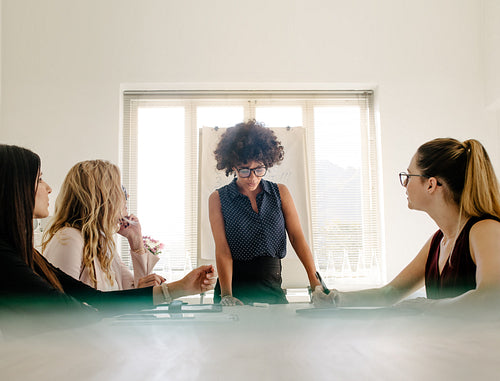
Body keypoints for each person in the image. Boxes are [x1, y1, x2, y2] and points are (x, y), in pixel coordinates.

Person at [0, 144, 216, 335]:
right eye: (38, 179)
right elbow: (69, 312)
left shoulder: (101, 244)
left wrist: (180, 287)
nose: (48, 188)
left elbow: (111, 297)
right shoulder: (68, 239)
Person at [313, 138, 500, 316]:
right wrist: (338, 299)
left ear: (431, 184)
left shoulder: (485, 230)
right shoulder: (438, 240)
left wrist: (428, 307)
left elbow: (491, 297)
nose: (405, 184)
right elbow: (390, 293)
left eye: (409, 176)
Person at [209, 120, 321, 306]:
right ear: (233, 166)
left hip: (271, 285)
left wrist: (314, 282)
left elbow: (296, 237)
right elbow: (222, 250)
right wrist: (227, 296)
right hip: (233, 287)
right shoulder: (218, 198)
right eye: (245, 170)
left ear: (267, 162)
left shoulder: (280, 193)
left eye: (259, 169)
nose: (253, 178)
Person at [43, 160, 163, 291]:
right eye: (120, 189)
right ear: (102, 197)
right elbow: (64, 305)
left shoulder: (103, 244)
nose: (126, 196)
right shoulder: (69, 237)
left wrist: (136, 242)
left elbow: (139, 293)